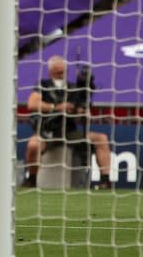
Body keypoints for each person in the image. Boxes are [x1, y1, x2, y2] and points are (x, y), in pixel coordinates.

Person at [22, 55, 112, 189]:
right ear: (50, 72)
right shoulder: (43, 85)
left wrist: (81, 111)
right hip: (47, 131)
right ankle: (32, 179)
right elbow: (32, 104)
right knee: (33, 145)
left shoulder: (73, 87)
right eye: (57, 72)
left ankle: (106, 180)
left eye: (63, 71)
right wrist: (56, 107)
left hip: (70, 131)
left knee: (101, 139)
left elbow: (81, 109)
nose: (61, 75)